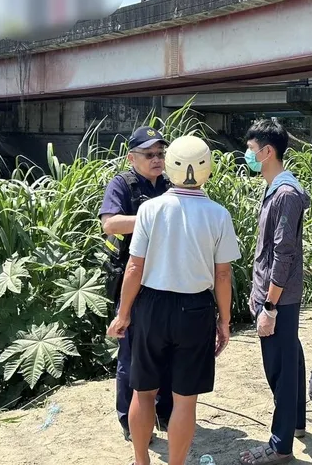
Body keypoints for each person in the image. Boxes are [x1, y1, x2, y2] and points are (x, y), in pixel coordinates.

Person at [107, 135, 241, 465]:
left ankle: (141, 460)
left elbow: (134, 267)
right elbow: (223, 275)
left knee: (143, 391)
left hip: (151, 306)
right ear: (208, 169)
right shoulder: (218, 214)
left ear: (170, 166)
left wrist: (123, 314)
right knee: (185, 402)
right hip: (195, 309)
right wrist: (224, 321)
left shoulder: (150, 210)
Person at [240, 120, 311, 465]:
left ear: (267, 152)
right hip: (275, 294)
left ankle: (280, 445)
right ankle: (295, 422)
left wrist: (269, 305)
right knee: (290, 356)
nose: (248, 156)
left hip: (277, 297)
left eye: (251, 150)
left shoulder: (285, 193)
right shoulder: (277, 188)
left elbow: (284, 253)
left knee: (279, 369)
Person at [98, 126, 173, 441]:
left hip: (169, 281)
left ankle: (165, 416)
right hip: (135, 284)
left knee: (168, 354)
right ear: (132, 158)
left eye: (160, 154)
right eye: (149, 154)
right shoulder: (122, 184)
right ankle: (130, 422)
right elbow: (110, 223)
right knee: (131, 359)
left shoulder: (173, 184)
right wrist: (152, 215)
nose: (157, 159)